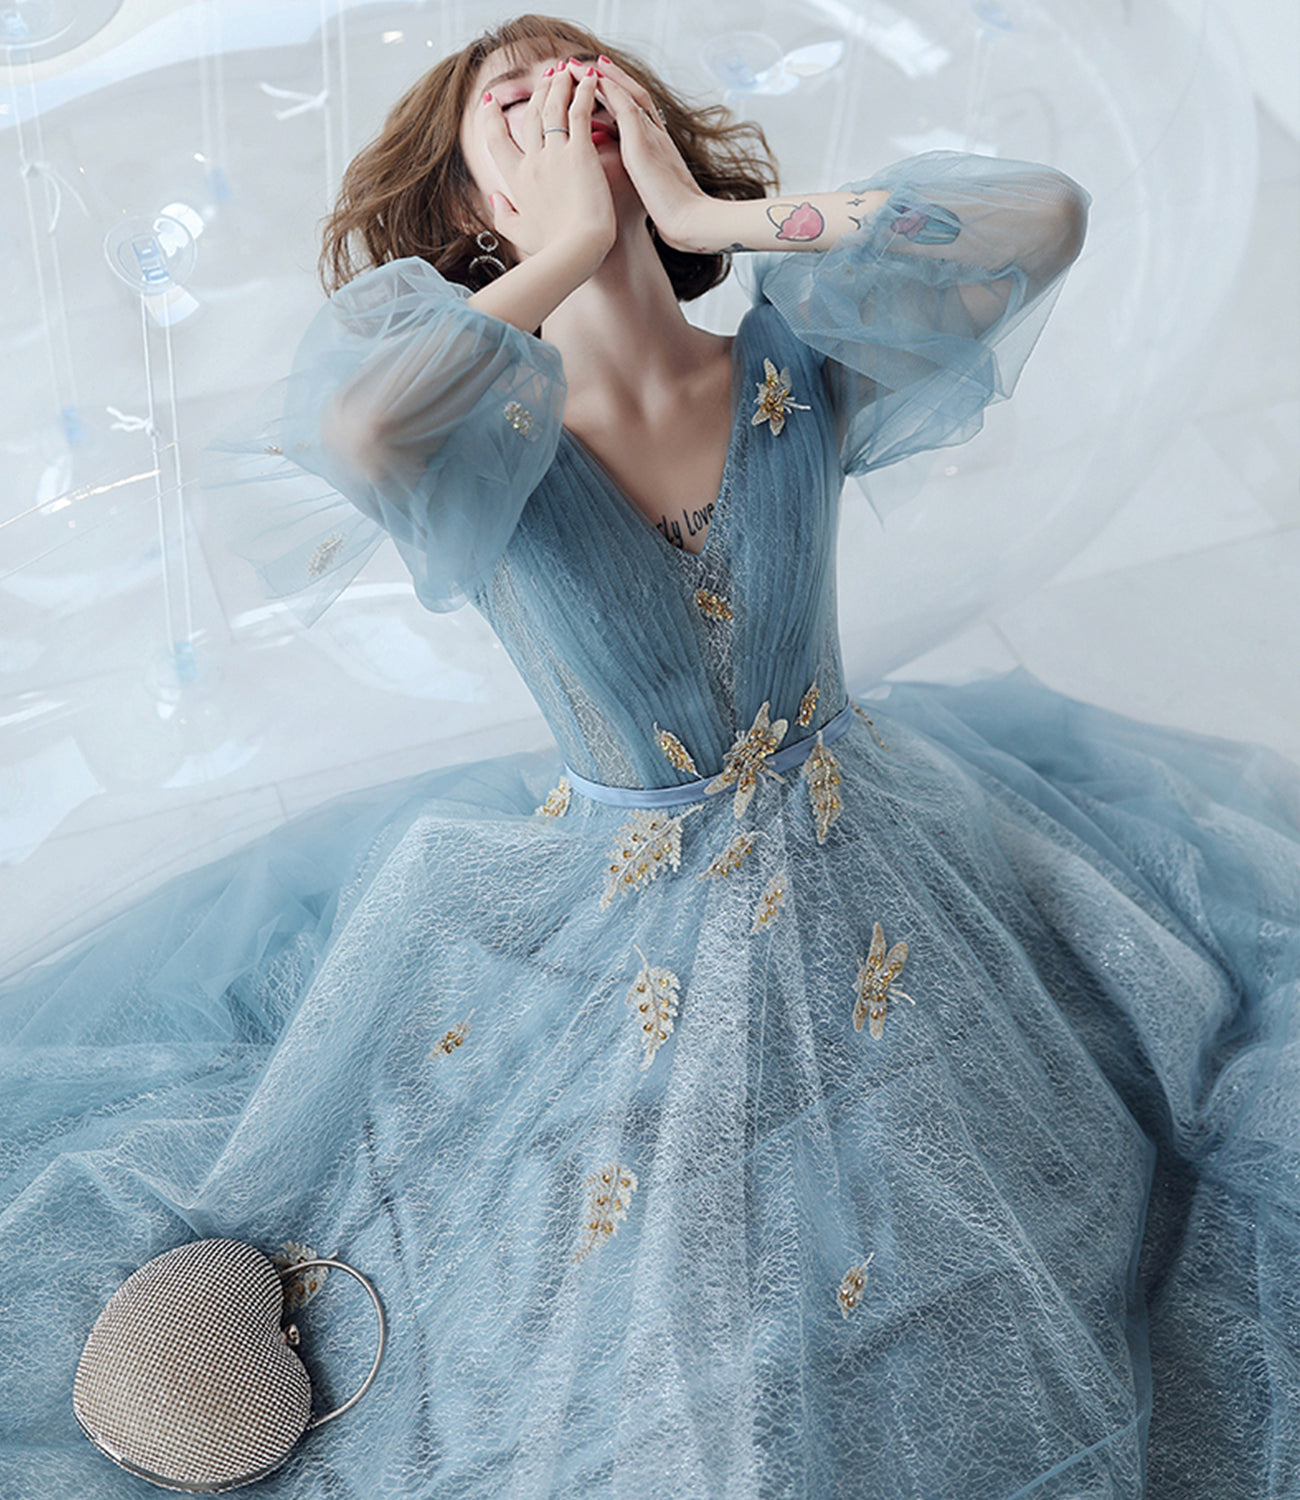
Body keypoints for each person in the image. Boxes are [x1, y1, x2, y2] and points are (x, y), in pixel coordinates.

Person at [1, 13, 1296, 1499]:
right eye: (513, 102)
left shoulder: (799, 361)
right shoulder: (462, 423)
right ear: (470, 204)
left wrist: (714, 222)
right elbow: (357, 433)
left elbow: (1042, 219)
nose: (563, 98)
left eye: (590, 77)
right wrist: (557, 252)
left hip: (882, 853)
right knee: (673, 1295)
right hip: (629, 908)